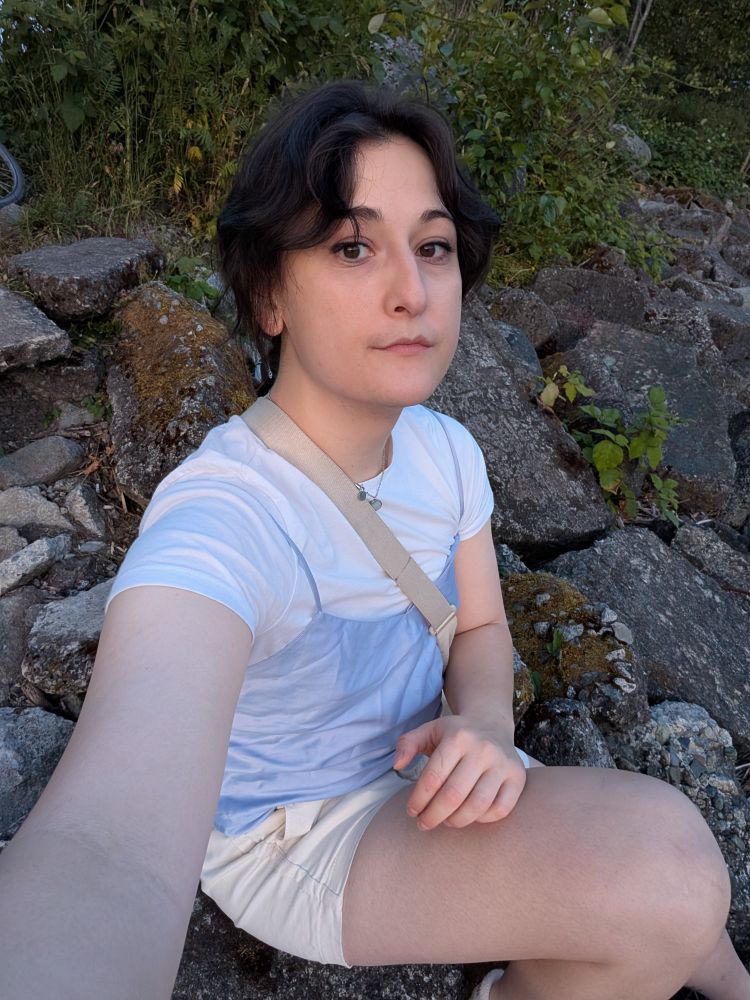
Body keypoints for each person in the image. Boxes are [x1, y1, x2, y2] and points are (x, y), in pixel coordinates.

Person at [0, 80, 748, 1000]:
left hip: (432, 772)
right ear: (268, 294)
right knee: (668, 875)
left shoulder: (445, 452)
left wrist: (484, 719)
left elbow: (476, 630)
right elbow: (106, 841)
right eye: (353, 246)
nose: (412, 290)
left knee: (696, 926)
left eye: (432, 246)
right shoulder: (228, 513)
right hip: (300, 831)